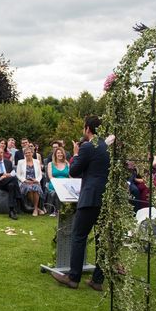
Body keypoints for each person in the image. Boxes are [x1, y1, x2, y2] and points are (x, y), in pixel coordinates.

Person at [50, 115, 109, 292]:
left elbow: (74, 171)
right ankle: (97, 280)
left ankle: (73, 277)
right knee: (102, 239)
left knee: (79, 235)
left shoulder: (88, 147)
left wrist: (75, 154)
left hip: (90, 196)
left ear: (88, 129)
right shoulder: (107, 147)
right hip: (106, 197)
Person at [0, 146, 23, 220]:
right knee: (13, 179)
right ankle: (19, 198)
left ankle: (11, 210)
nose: (0, 154)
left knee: (11, 185)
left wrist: (7, 176)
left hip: (7, 182)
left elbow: (12, 173)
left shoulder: (8, 162)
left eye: (1, 153)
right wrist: (2, 175)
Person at [16, 145, 45, 216]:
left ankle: (35, 208)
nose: (28, 154)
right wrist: (24, 180)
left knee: (36, 188)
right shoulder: (20, 162)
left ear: (32, 153)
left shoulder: (37, 162)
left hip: (35, 181)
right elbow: (18, 174)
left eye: (29, 152)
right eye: (26, 153)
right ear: (24, 154)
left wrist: (37, 180)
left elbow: (40, 174)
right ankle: (37, 209)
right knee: (29, 188)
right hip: (25, 182)